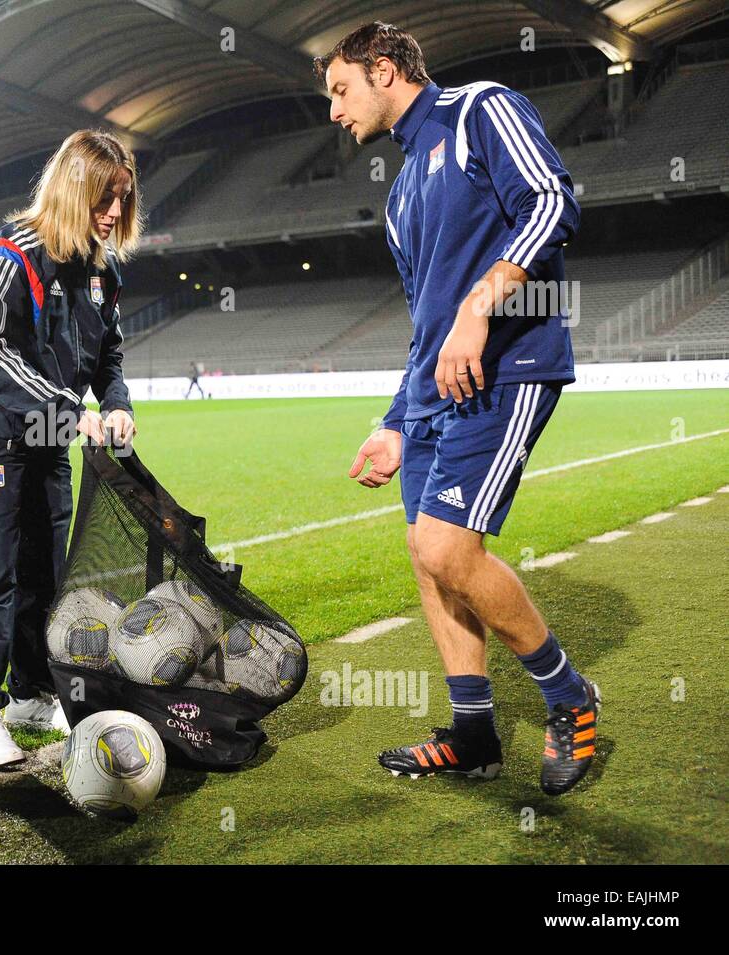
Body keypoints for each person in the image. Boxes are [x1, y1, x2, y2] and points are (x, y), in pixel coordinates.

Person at [315, 22, 596, 795]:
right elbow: (424, 329)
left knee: (448, 549)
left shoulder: (481, 109)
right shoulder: (401, 195)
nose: (335, 112)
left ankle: (569, 695)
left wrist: (481, 305)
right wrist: (397, 422)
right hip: (436, 393)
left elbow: (551, 200)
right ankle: (473, 732)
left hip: (510, 365)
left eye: (341, 91)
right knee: (425, 555)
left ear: (382, 70)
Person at [0, 128, 140, 768]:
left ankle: (30, 691)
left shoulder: (102, 271)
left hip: (53, 430)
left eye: (123, 200)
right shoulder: (10, 255)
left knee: (46, 570)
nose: (114, 213)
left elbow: (107, 353)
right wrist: (68, 410)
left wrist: (116, 405)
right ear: (74, 190)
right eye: (105, 198)